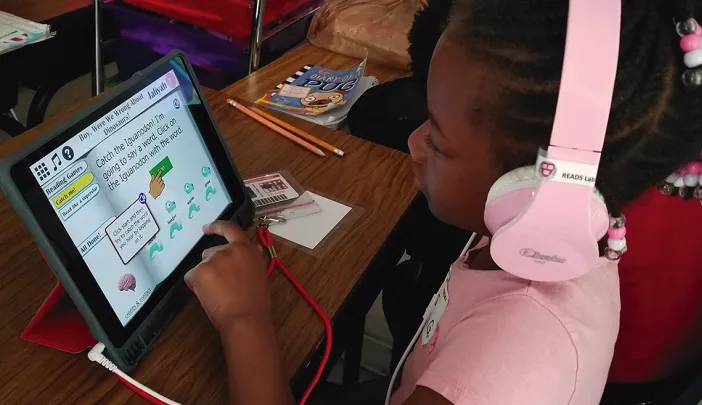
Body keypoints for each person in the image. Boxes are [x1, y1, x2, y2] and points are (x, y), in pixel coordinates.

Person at [185, 0, 702, 404]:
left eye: (439, 139)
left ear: (532, 184)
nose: (414, 142)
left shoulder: (519, 359)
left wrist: (244, 319)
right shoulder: (536, 231)